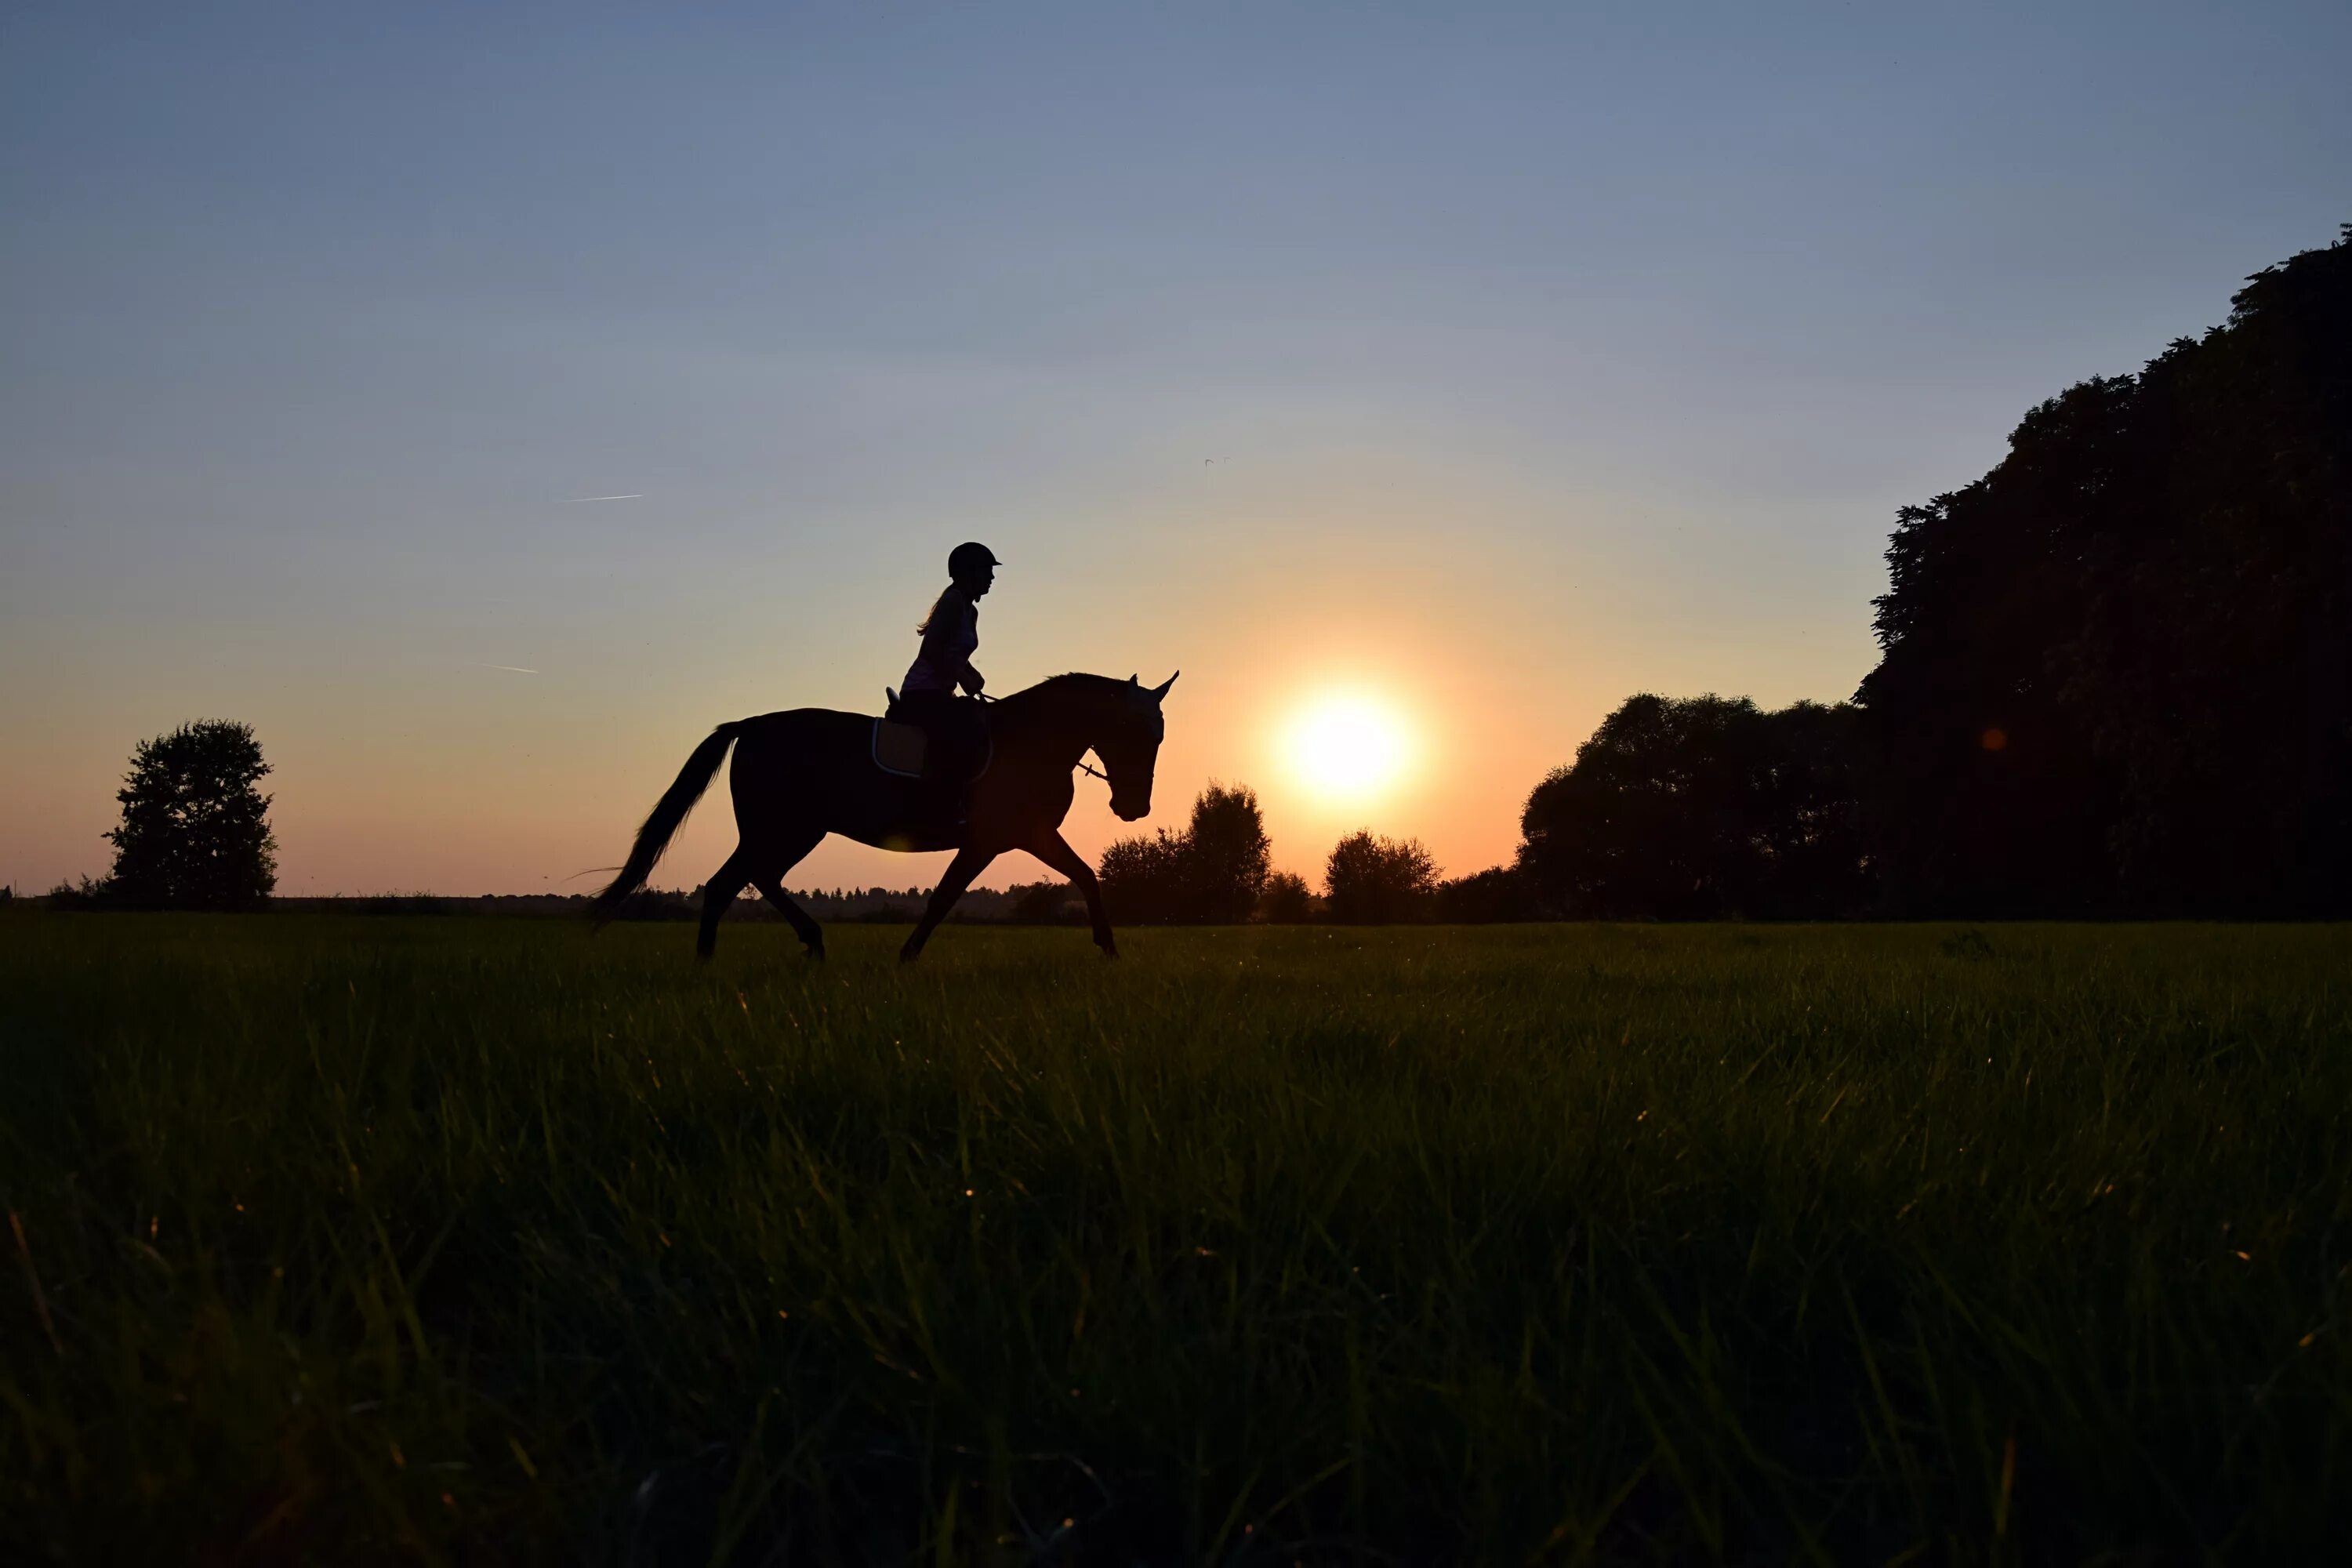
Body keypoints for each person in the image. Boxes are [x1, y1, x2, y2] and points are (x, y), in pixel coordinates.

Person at [895, 542, 999, 829]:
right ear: (969, 573)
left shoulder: (970, 611)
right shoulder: (953, 601)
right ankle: (948, 804)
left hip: (941, 691)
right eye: (987, 571)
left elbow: (954, 654)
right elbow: (931, 651)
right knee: (962, 733)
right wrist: (963, 677)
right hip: (922, 692)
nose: (992, 578)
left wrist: (971, 673)